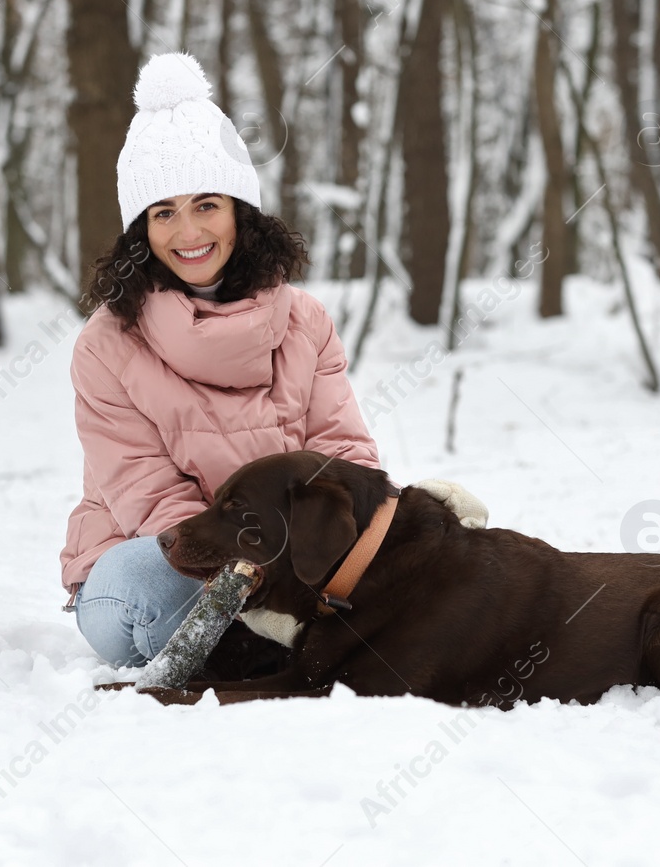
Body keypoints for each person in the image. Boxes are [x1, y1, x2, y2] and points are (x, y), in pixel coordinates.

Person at [60, 52, 485, 668]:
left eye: (206, 204)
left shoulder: (303, 320)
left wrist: (399, 528)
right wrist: (254, 574)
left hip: (294, 557)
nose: (187, 231)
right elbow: (149, 498)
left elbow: (344, 457)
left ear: (240, 210)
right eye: (163, 212)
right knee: (149, 596)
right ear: (140, 231)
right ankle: (287, 639)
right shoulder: (107, 344)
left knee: (418, 580)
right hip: (167, 550)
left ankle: (274, 642)